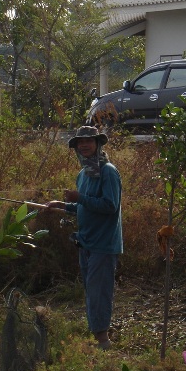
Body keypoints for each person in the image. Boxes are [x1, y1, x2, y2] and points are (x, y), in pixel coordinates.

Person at [46, 126, 123, 350]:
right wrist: (62, 205)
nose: (84, 145)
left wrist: (79, 197)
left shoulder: (108, 171)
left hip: (104, 243)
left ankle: (103, 341)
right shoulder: (83, 174)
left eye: (89, 141)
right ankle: (98, 336)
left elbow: (110, 206)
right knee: (91, 291)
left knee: (99, 292)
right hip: (86, 241)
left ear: (97, 144)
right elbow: (83, 206)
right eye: (80, 143)